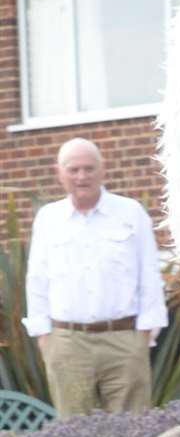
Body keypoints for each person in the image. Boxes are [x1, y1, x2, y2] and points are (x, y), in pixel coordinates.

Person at [23, 138, 166, 417]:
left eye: (89, 168)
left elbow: (149, 273)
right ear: (59, 172)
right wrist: (43, 335)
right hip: (66, 341)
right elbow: (37, 279)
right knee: (75, 433)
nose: (81, 176)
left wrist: (145, 333)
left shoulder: (130, 213)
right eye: (73, 169)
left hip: (124, 338)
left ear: (103, 170)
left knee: (133, 430)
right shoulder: (48, 219)